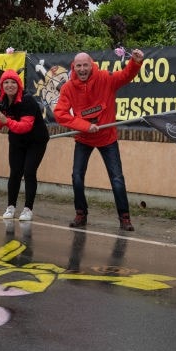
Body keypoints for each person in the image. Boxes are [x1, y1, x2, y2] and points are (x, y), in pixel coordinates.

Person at [54, 49, 144, 231]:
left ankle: (124, 218)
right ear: (73, 67)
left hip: (107, 138)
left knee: (117, 179)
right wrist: (85, 126)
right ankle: (81, 213)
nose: (82, 69)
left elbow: (126, 76)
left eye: (85, 65)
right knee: (77, 177)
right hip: (83, 138)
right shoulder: (68, 88)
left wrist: (135, 62)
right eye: (78, 66)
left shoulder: (105, 78)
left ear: (91, 64)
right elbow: (60, 114)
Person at [0, 69, 49, 222]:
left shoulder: (27, 100)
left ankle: (28, 209)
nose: (9, 85)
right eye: (6, 82)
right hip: (16, 140)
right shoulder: (0, 101)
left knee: (29, 172)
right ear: (2, 86)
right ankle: (11, 207)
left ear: (19, 84)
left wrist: (6, 121)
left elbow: (25, 126)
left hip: (36, 140)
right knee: (15, 173)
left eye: (13, 82)